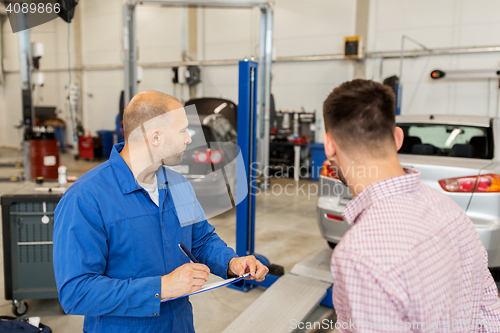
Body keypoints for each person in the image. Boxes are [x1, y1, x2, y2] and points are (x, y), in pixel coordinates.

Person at [53, 91, 268, 333]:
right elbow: (76, 292)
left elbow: (201, 240)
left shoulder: (178, 184)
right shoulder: (86, 198)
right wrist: (162, 287)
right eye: (183, 131)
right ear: (155, 136)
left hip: (180, 325)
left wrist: (232, 262)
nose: (188, 139)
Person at [322, 79, 500, 332]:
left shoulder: (359, 254)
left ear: (329, 144)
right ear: (398, 137)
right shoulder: (448, 209)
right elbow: (489, 309)